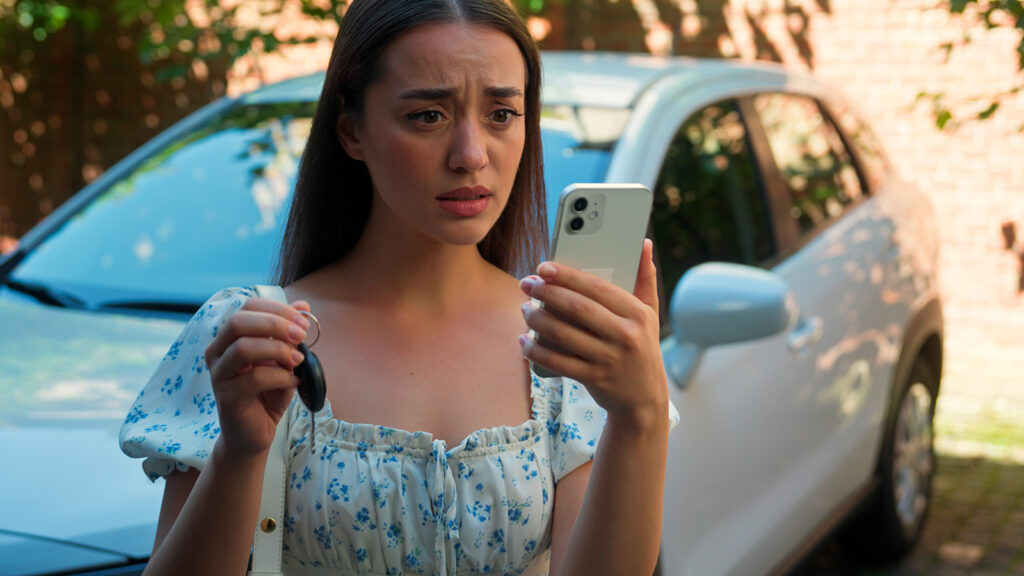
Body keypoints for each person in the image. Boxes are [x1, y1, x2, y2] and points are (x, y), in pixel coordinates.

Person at [120, 0, 677, 574]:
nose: (471, 155)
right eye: (428, 116)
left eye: (502, 113)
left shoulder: (562, 340)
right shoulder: (254, 338)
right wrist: (240, 454)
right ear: (351, 130)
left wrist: (642, 415)